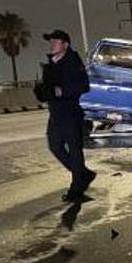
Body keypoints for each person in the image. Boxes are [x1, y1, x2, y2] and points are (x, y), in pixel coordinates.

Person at [37, 29, 94, 201]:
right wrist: (42, 91)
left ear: (65, 45)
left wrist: (64, 91)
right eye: (50, 41)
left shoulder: (73, 61)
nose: (52, 44)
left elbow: (84, 86)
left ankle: (76, 190)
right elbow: (47, 88)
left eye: (56, 41)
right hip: (55, 115)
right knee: (55, 146)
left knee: (75, 152)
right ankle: (83, 174)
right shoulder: (50, 64)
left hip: (70, 114)